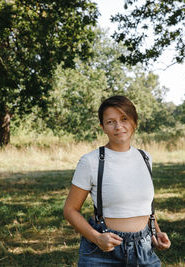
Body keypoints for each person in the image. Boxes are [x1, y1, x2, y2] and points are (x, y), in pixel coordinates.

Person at [63, 95, 171, 266]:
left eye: (124, 119)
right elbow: (70, 210)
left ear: (134, 122)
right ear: (103, 127)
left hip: (144, 249)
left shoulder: (145, 158)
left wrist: (156, 232)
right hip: (103, 251)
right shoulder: (90, 161)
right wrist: (97, 238)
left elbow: (144, 206)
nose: (118, 126)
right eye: (111, 122)